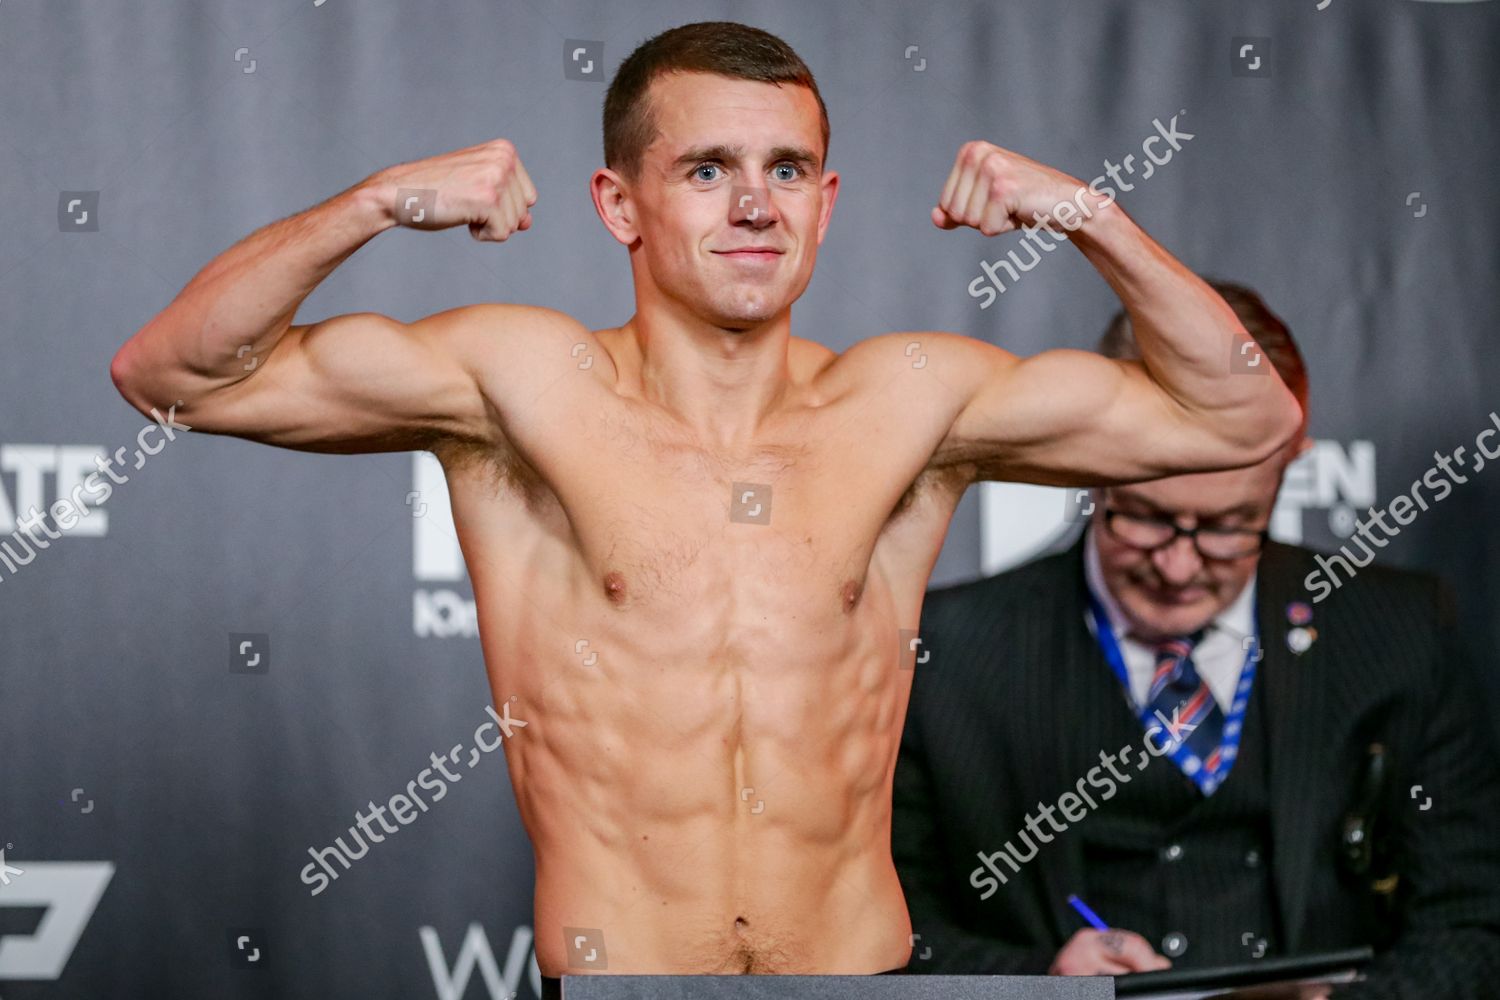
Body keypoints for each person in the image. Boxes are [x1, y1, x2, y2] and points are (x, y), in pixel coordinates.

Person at [109, 20, 1299, 993]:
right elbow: (172, 372)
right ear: (619, 204)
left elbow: (1243, 421)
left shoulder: (908, 402)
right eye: (706, 170)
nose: (754, 206)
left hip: (856, 974)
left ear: (826, 204)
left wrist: (1083, 213)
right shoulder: (518, 385)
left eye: (786, 170)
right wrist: (373, 203)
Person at [892, 280, 1500, 998]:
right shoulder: (944, 651)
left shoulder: (1399, 631)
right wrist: (1045, 985)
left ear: (1290, 465)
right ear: (1088, 467)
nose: (1178, 568)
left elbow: (1468, 923)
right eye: (1144, 516)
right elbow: (893, 938)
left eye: (1225, 528)